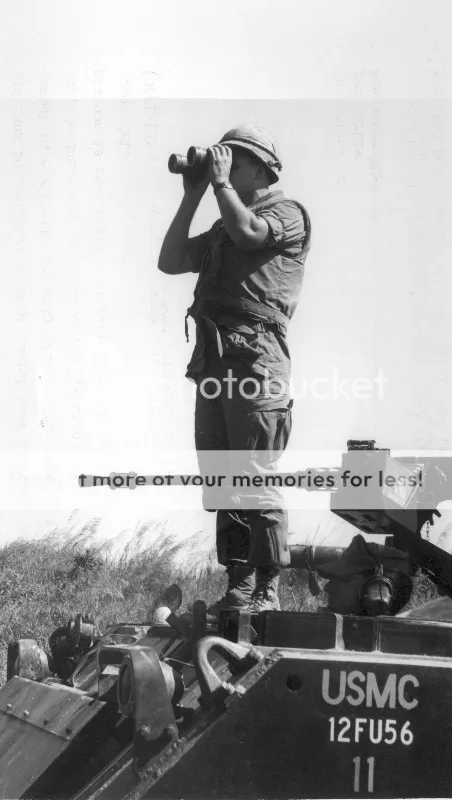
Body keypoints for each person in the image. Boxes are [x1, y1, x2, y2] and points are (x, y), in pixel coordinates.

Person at [158, 124, 311, 612]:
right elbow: (170, 260)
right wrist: (193, 194)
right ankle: (240, 583)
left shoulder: (287, 213)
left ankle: (267, 587)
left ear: (262, 169)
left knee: (252, 474)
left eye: (234, 161)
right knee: (223, 479)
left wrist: (220, 184)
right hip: (215, 364)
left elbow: (250, 234)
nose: (224, 167)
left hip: (257, 361)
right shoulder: (223, 227)